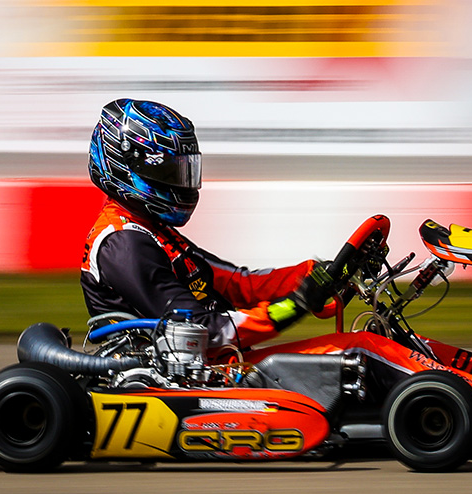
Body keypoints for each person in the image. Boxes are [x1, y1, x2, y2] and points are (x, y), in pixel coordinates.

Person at [80, 98, 350, 351]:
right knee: (356, 354)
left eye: (184, 170)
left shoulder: (153, 231)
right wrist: (294, 305)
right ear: (125, 167)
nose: (181, 182)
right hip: (187, 374)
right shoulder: (123, 244)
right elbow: (202, 329)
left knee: (356, 349)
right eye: (169, 171)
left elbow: (240, 283)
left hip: (218, 366)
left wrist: (315, 274)